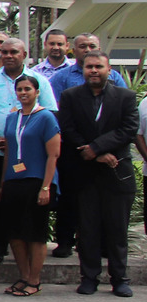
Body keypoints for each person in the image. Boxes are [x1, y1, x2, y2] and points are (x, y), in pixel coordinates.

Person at [58, 52, 136, 297]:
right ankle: (89, 277)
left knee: (117, 230)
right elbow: (68, 128)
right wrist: (91, 152)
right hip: (84, 174)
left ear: (108, 69)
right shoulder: (70, 96)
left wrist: (97, 148)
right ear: (83, 69)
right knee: (88, 230)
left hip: (116, 173)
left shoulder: (125, 97)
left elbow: (129, 129)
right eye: (89, 66)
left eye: (98, 67)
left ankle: (119, 279)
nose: (93, 70)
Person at [0, 38, 58, 264]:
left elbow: (50, 115)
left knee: (28, 207)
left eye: (14, 52)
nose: (9, 56)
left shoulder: (40, 80)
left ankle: (28, 248)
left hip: (30, 157)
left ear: (24, 54)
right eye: (5, 52)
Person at [47, 33, 126, 258]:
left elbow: (120, 116)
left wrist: (99, 148)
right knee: (70, 197)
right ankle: (64, 240)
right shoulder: (61, 78)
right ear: (74, 49)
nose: (88, 49)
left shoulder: (116, 78)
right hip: (73, 147)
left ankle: (97, 244)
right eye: (83, 46)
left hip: (107, 150)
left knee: (102, 201)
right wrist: (84, 146)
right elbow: (57, 114)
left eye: (92, 46)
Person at [0, 74, 59, 297]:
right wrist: (3, 183)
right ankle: (23, 275)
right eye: (20, 89)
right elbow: (8, 153)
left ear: (37, 91)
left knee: (35, 232)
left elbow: (53, 155)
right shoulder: (12, 118)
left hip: (35, 181)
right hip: (14, 181)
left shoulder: (45, 117)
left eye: (27, 89)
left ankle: (34, 279)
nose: (23, 93)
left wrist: (46, 187)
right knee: (15, 232)